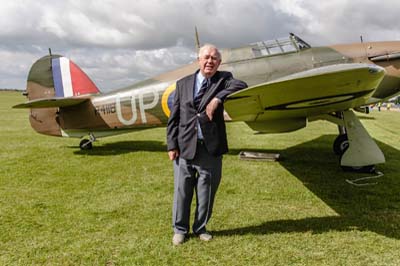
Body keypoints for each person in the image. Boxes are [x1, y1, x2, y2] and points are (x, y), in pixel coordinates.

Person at [166, 44, 247, 245]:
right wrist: (171, 145)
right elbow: (174, 118)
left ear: (219, 63)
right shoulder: (182, 83)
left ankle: (200, 227)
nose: (210, 61)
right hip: (185, 146)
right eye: (206, 57)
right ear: (198, 60)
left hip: (210, 147)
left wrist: (218, 98)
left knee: (206, 192)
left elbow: (242, 85)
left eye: (214, 58)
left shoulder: (224, 79)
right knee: (182, 192)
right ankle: (180, 229)